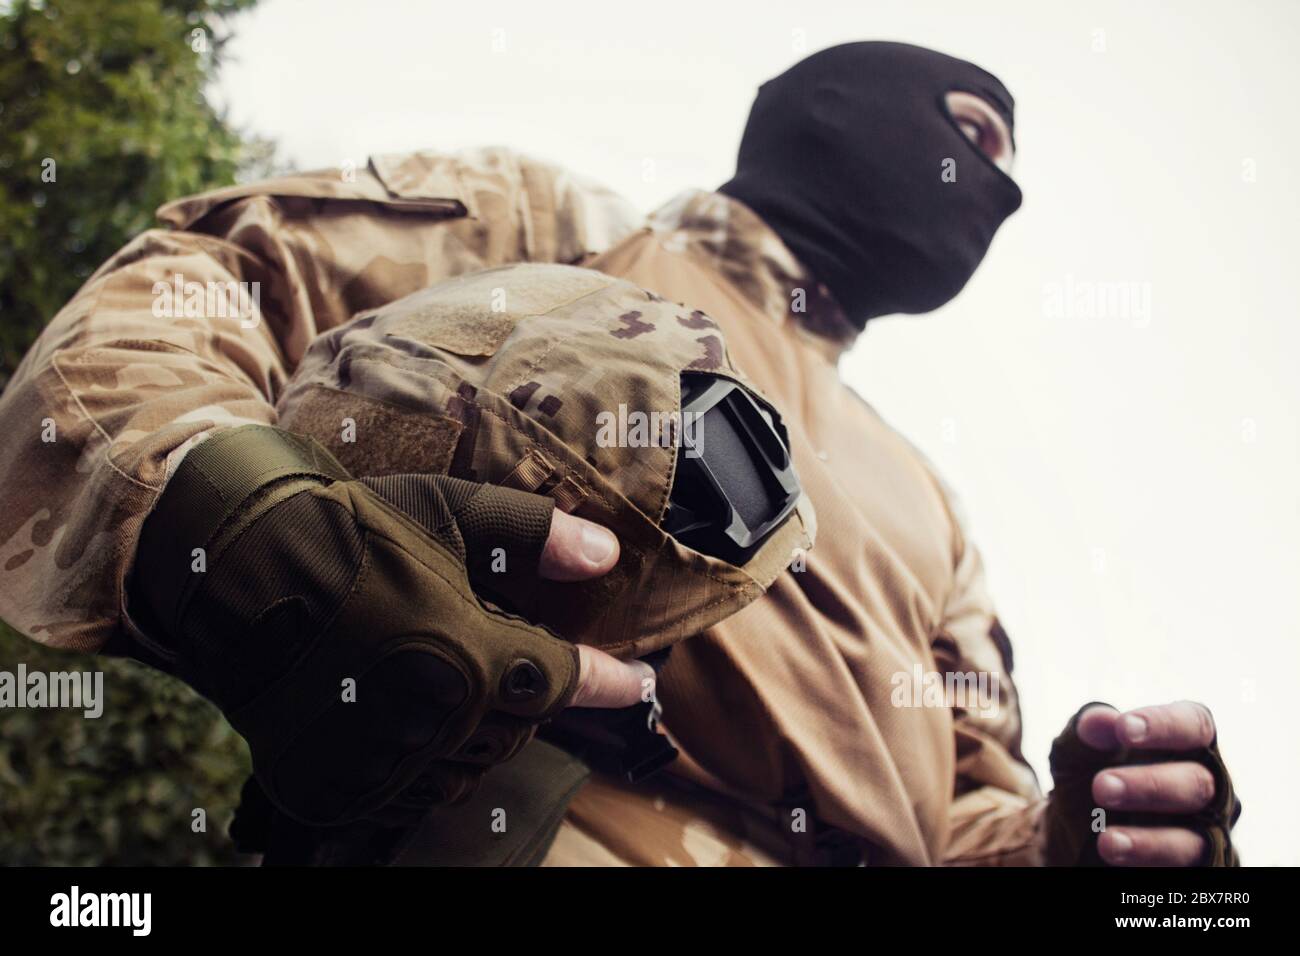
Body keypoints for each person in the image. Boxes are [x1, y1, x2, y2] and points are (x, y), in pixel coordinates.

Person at [0, 41, 1238, 866]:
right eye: (973, 134)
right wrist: (238, 532)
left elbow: (966, 807)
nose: (1001, 194)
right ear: (832, 110)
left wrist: (1081, 841)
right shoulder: (557, 234)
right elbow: (185, 302)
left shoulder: (930, 502)